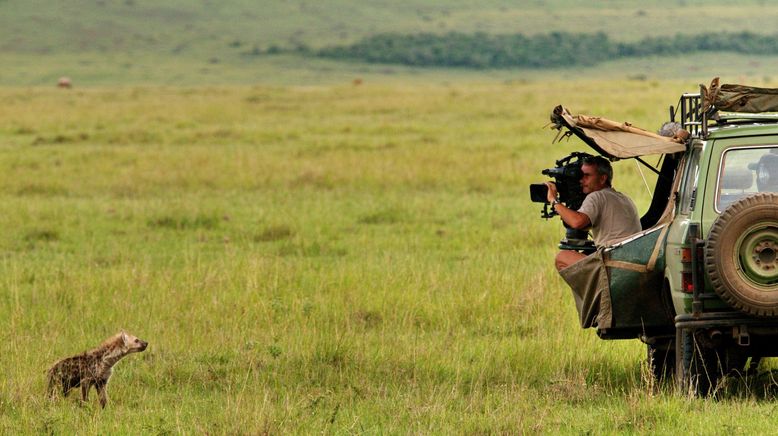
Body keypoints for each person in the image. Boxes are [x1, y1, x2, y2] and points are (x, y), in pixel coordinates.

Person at [545, 155, 641, 271]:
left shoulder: (597, 196)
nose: (581, 180)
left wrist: (554, 200)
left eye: (587, 176)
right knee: (587, 254)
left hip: (615, 265)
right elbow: (589, 224)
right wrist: (567, 212)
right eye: (581, 176)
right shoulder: (623, 198)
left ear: (602, 179)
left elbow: (577, 222)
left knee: (563, 257)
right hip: (634, 261)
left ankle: (595, 289)